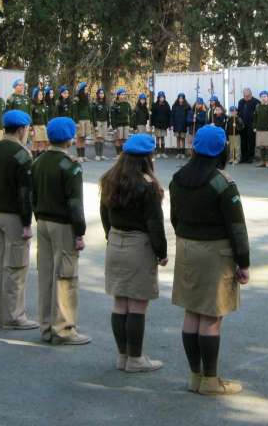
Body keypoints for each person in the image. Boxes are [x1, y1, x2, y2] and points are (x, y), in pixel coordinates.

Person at [169, 125, 250, 396]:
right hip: (215, 253)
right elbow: (237, 228)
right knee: (212, 317)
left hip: (186, 248)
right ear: (221, 149)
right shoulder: (222, 183)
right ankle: (211, 380)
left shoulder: (179, 177)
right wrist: (244, 262)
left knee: (191, 312)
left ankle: (195, 376)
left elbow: (175, 217)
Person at [100, 133, 168, 372]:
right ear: (147, 158)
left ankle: (123, 356)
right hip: (139, 245)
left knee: (120, 302)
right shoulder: (148, 186)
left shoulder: (109, 179)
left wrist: (111, 235)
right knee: (138, 305)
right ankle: (136, 359)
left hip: (115, 241)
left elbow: (104, 215)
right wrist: (162, 252)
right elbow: (154, 224)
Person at [32, 117, 90, 345]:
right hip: (63, 225)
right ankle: (64, 329)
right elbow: (75, 203)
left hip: (43, 222)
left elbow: (32, 196)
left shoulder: (38, 161)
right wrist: (79, 232)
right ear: (69, 138)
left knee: (46, 275)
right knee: (65, 277)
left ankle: (46, 326)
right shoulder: (71, 165)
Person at [0, 109, 39, 330]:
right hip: (13, 216)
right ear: (22, 129)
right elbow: (25, 193)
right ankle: (14, 317)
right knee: (15, 268)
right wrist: (26, 222)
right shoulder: (22, 155)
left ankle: (1, 315)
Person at [253, 91, 268, 168]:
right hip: (260, 129)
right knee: (261, 146)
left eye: (265, 96)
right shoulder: (258, 106)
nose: (263, 98)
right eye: (262, 97)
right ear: (260, 98)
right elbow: (255, 118)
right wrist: (254, 127)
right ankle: (262, 161)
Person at [237, 88, 260, 163]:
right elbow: (239, 113)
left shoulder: (256, 102)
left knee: (251, 141)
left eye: (247, 96)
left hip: (252, 125)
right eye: (244, 96)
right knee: (243, 141)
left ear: (251, 94)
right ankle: (244, 157)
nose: (246, 98)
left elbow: (258, 114)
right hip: (242, 125)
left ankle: (250, 157)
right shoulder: (241, 102)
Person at [73, 82, 94, 161]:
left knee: (84, 137)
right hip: (80, 120)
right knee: (79, 137)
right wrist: (76, 122)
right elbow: (75, 111)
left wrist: (91, 120)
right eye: (85, 88)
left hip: (87, 119)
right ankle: (79, 156)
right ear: (82, 89)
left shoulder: (87, 97)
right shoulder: (77, 98)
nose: (86, 90)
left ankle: (83, 155)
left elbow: (89, 110)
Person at [110, 88, 132, 156]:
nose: (123, 96)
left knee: (125, 139)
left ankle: (123, 154)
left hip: (126, 124)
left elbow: (131, 114)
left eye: (124, 94)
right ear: (118, 95)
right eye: (122, 94)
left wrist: (131, 125)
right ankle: (118, 154)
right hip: (118, 125)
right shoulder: (114, 105)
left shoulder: (127, 104)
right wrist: (114, 127)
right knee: (118, 139)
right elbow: (112, 117)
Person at [150, 91, 171, 158]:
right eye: (160, 97)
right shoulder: (155, 105)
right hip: (157, 124)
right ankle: (158, 152)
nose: (161, 98)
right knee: (157, 137)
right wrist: (151, 124)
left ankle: (163, 152)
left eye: (162, 97)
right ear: (158, 98)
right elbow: (152, 115)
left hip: (164, 125)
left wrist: (169, 125)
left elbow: (169, 115)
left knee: (162, 138)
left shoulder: (167, 105)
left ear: (164, 97)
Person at [30, 87, 50, 157]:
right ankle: (34, 160)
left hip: (43, 126)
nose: (41, 96)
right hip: (36, 127)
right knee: (35, 144)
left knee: (43, 143)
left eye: (42, 95)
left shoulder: (43, 105)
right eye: (39, 94)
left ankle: (40, 160)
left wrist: (47, 127)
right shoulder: (32, 106)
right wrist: (31, 129)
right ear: (35, 95)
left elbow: (46, 117)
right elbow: (30, 117)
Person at [92, 87, 110, 161]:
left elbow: (108, 114)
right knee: (97, 138)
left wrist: (109, 123)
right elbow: (94, 115)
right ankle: (97, 155)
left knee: (102, 138)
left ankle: (101, 155)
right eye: (100, 93)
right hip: (98, 122)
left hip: (105, 122)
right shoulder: (95, 103)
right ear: (98, 94)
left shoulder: (106, 103)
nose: (101, 94)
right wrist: (95, 125)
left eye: (102, 93)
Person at [171, 93, 191, 159]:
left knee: (182, 138)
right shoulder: (174, 106)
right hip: (176, 125)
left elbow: (189, 116)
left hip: (183, 125)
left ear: (184, 99)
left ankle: (182, 153)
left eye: (182, 98)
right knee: (178, 138)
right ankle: (178, 152)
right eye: (179, 98)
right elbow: (172, 116)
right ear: (178, 98)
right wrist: (171, 124)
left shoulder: (187, 107)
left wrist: (188, 124)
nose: (180, 100)